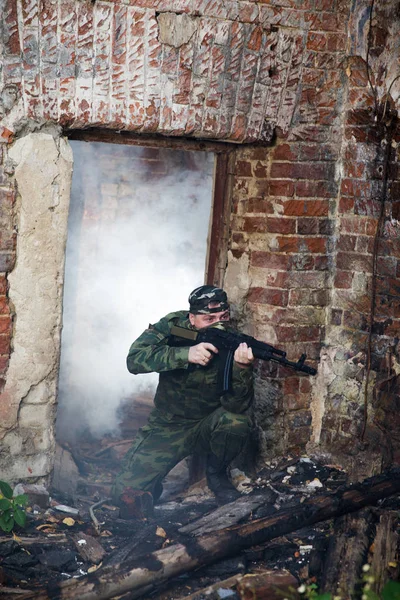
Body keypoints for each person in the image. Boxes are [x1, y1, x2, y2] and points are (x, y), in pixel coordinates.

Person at [112, 285, 254, 507]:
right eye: (209, 318)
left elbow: (236, 405)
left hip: (207, 423)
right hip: (168, 426)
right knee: (123, 495)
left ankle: (217, 476)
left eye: (223, 317)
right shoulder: (173, 326)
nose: (219, 323)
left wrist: (241, 368)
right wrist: (186, 354)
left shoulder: (232, 341)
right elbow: (135, 359)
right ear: (192, 318)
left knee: (236, 421)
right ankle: (153, 482)